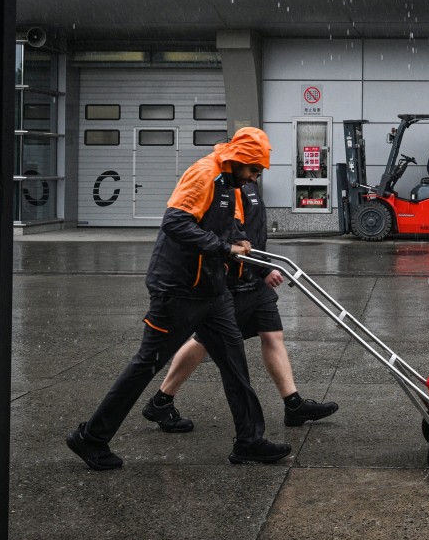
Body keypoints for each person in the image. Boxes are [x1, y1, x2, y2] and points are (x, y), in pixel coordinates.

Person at [66, 128, 290, 470]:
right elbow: (176, 222)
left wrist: (240, 241)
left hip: (211, 291)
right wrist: (223, 248)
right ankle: (91, 438)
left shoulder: (230, 185)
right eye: (254, 169)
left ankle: (249, 441)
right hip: (177, 290)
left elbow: (225, 225)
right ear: (238, 161)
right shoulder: (205, 174)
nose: (256, 176)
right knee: (146, 364)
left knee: (234, 364)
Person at [142, 138, 339, 432]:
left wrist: (260, 268)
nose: (257, 175)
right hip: (234, 281)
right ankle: (162, 399)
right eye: (255, 169)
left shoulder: (248, 185)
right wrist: (258, 271)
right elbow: (226, 237)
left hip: (254, 278)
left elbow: (247, 235)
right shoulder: (227, 186)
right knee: (206, 342)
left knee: (272, 335)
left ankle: (293, 403)